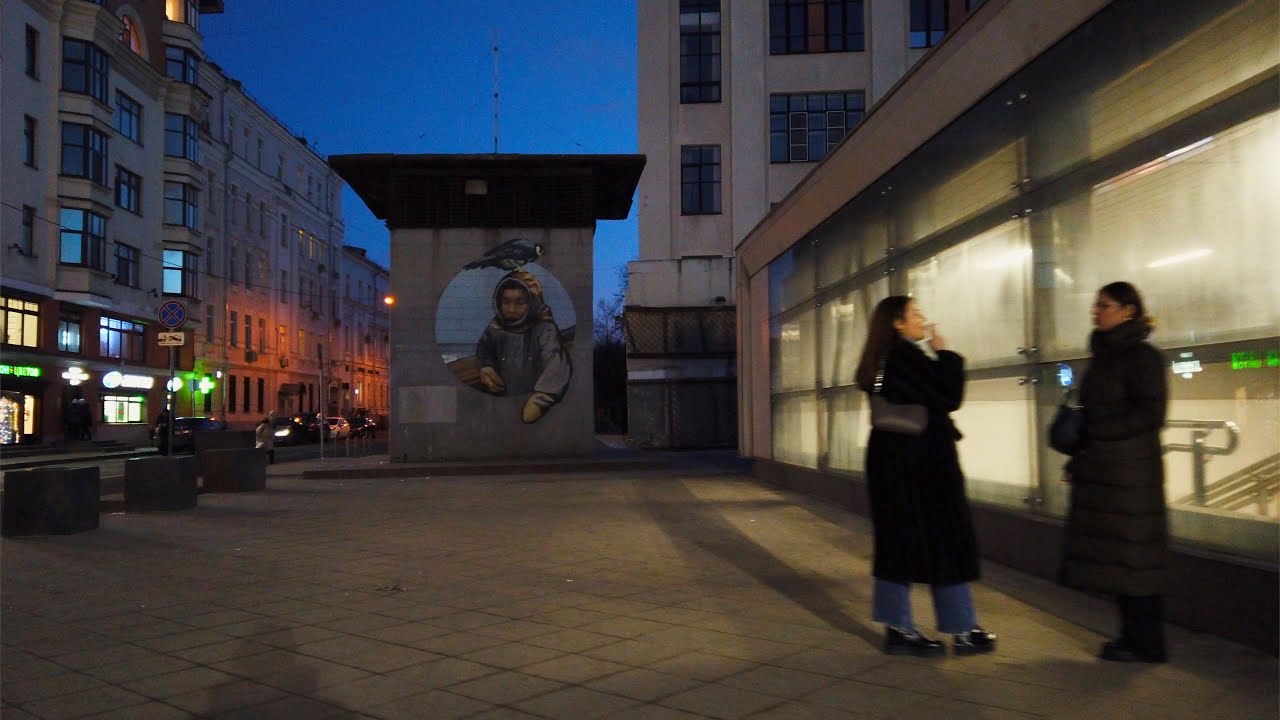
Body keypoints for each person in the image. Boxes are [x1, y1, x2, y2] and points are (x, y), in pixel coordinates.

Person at [854, 295, 996, 656]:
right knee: (944, 542)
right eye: (915, 313)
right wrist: (945, 354)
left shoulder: (885, 356)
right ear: (897, 323)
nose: (923, 318)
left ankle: (907, 626)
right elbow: (947, 396)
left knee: (898, 543)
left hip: (896, 461)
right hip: (922, 465)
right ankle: (955, 629)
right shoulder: (905, 356)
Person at [1060, 282, 1169, 663]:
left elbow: (1151, 413)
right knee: (1123, 562)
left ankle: (1146, 642)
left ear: (1128, 311)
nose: (1095, 311)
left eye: (1104, 305)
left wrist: (1098, 430)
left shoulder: (1142, 357)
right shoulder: (1104, 358)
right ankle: (1134, 638)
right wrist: (1079, 457)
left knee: (1135, 560)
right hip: (1108, 472)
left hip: (1130, 477)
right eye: (1095, 304)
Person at [475, 269, 572, 424]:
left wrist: (542, 398)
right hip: (503, 404)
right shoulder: (496, 326)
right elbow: (484, 348)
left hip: (529, 396)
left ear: (533, 302)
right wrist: (486, 367)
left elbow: (555, 362)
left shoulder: (544, 328)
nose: (511, 309)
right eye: (506, 302)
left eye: (520, 303)